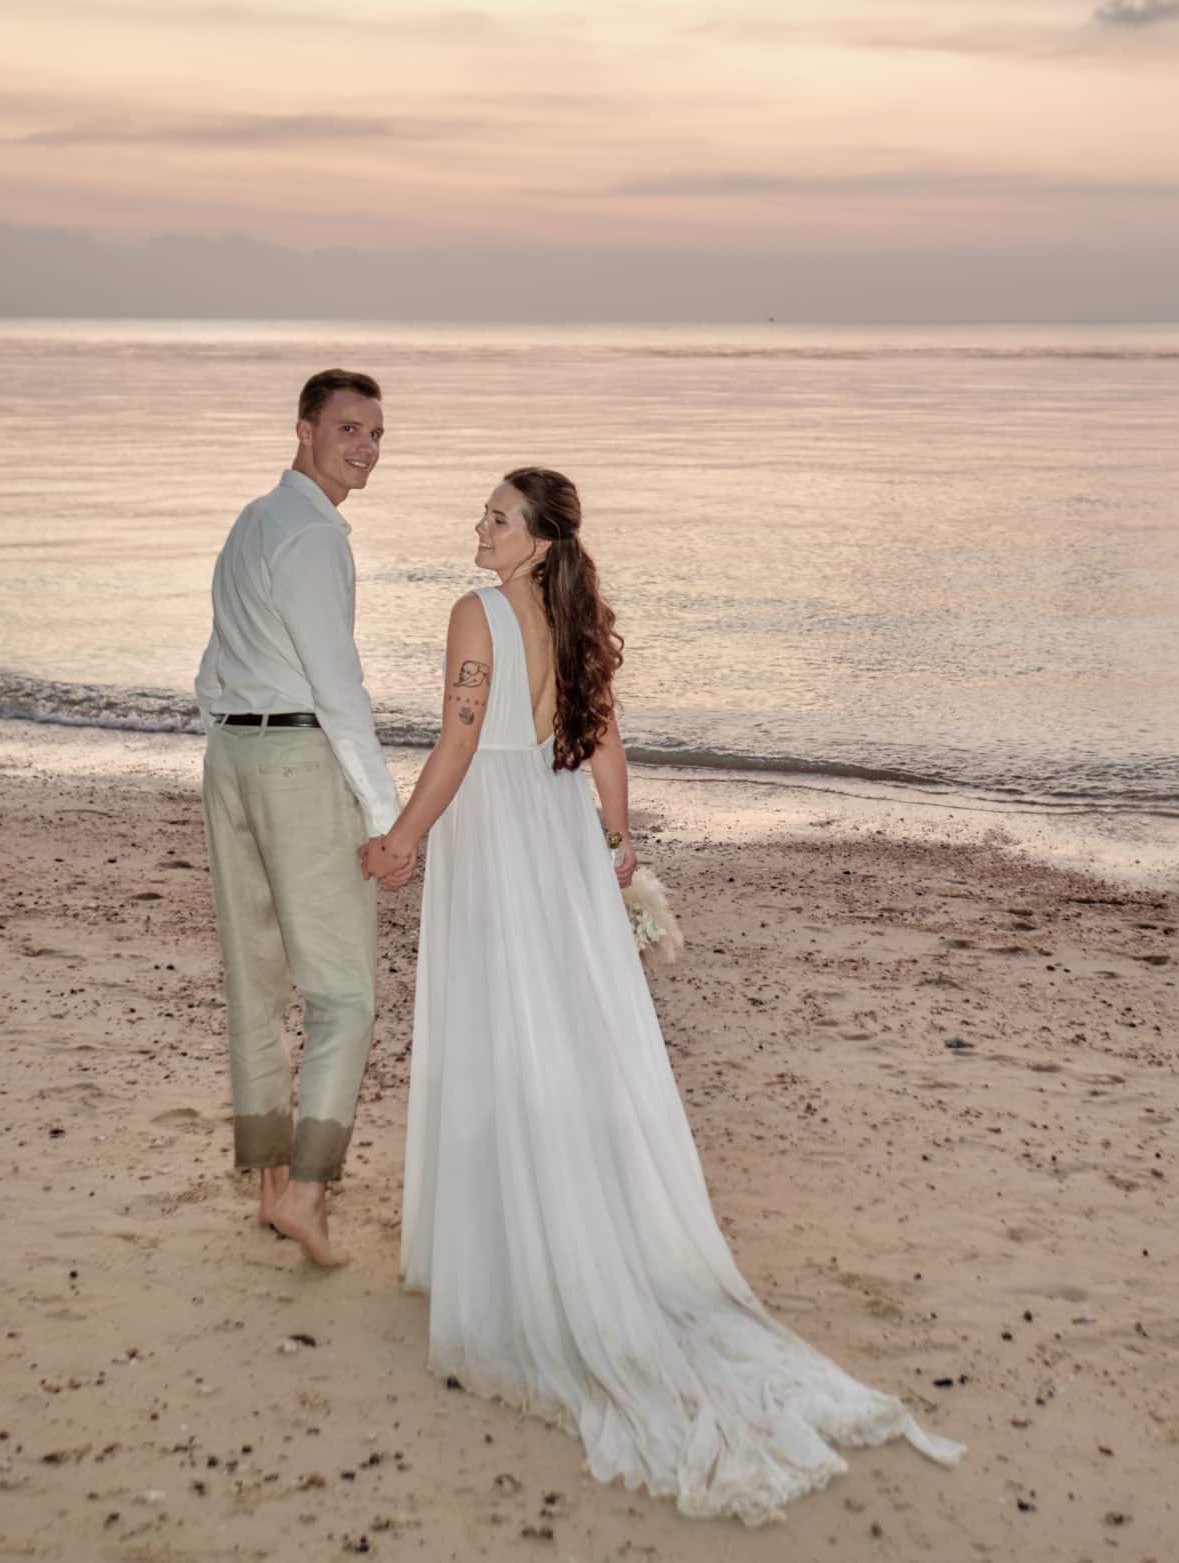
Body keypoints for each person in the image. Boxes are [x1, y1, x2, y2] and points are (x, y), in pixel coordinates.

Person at [363, 468, 962, 1523]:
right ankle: (553, 1231)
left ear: (536, 543)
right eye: (486, 515)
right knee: (561, 1029)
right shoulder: (570, 617)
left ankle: (508, 1253)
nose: (480, 527)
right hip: (552, 828)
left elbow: (460, 740)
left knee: (507, 1026)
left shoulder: (477, 611)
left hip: (500, 832)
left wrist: (407, 834)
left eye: (498, 518)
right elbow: (600, 743)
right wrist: (616, 843)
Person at [192, 368, 410, 1268]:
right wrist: (387, 813)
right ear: (304, 428)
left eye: (375, 434)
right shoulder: (316, 537)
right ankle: (308, 1195)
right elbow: (339, 687)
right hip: (292, 760)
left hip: (230, 756)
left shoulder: (253, 520)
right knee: (344, 994)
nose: (364, 447)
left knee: (255, 980)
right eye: (349, 429)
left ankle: (270, 1187)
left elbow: (216, 655)